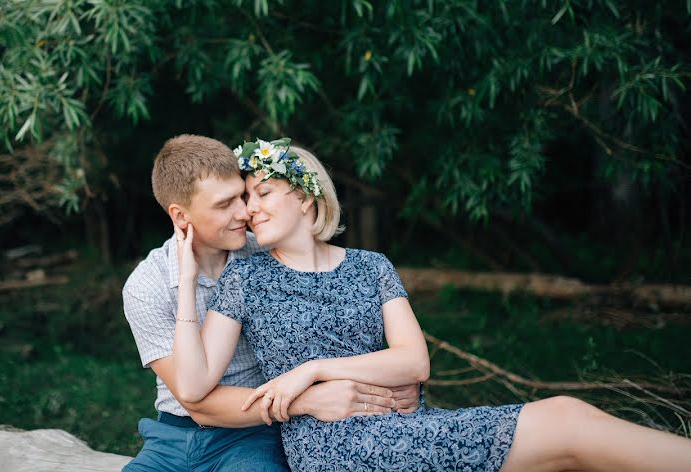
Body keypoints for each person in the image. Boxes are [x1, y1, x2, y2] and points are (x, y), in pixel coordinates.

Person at [171, 137, 691, 471]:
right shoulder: (248, 276)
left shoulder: (372, 266)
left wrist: (311, 369)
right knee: (565, 420)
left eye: (262, 191)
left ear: (305, 197)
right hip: (333, 447)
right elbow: (194, 387)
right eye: (244, 198)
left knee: (568, 434)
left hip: (406, 425)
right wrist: (188, 275)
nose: (249, 208)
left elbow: (414, 361)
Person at [121, 135, 421, 471]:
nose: (245, 212)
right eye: (225, 205)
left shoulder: (270, 250)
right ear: (180, 216)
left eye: (243, 196)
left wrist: (381, 387)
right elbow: (198, 403)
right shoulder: (147, 286)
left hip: (252, 433)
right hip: (172, 436)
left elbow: (328, 327)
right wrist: (305, 401)